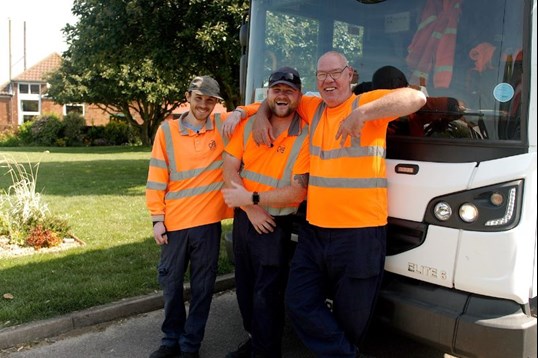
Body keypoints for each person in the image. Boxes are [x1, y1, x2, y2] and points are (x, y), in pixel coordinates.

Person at [248, 51, 426, 357]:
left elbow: (416, 98)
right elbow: (279, 99)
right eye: (322, 75)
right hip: (315, 232)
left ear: (350, 74)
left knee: (351, 319)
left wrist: (363, 114)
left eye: (335, 73)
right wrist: (254, 114)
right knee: (298, 301)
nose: (329, 81)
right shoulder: (313, 107)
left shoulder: (367, 104)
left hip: (360, 233)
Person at [146, 75, 242, 358]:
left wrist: (239, 111)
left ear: (216, 103)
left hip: (208, 225)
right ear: (188, 97)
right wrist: (157, 218)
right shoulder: (167, 132)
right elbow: (156, 177)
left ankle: (190, 346)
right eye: (199, 98)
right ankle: (170, 340)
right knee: (171, 286)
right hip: (174, 225)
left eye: (210, 100)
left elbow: (256, 109)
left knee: (202, 290)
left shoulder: (224, 125)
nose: (203, 105)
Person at [221, 67, 310, 358]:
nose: (282, 95)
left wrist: (254, 201)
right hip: (246, 218)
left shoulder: (305, 135)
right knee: (245, 290)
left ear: (298, 95)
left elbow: (299, 191)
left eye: (289, 90)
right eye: (277, 89)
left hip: (275, 224)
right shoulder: (248, 126)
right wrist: (250, 208)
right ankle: (255, 341)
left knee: (266, 296)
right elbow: (229, 169)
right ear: (268, 93)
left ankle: (266, 352)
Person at [370, 65, 466, 137]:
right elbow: (457, 106)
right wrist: (443, 119)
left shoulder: (364, 109)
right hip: (417, 157)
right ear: (404, 89)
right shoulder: (415, 107)